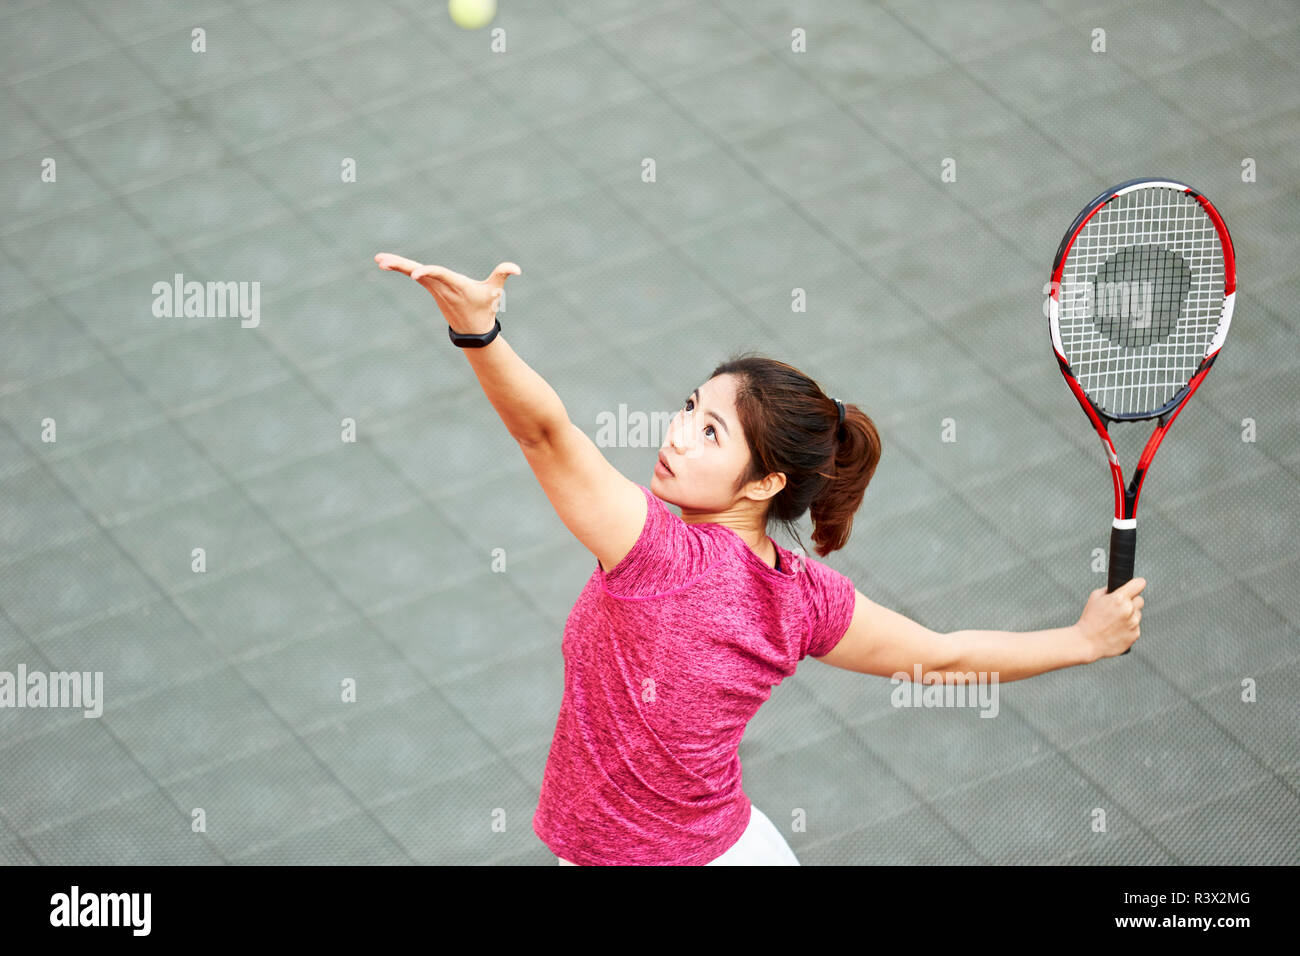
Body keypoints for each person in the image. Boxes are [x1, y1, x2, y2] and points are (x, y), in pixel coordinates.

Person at [374, 253, 1147, 866]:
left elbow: (546, 434)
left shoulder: (658, 555)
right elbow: (941, 659)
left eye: (712, 433)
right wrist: (1082, 641)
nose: (676, 435)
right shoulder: (807, 596)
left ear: (768, 481)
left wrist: (479, 332)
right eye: (689, 410)